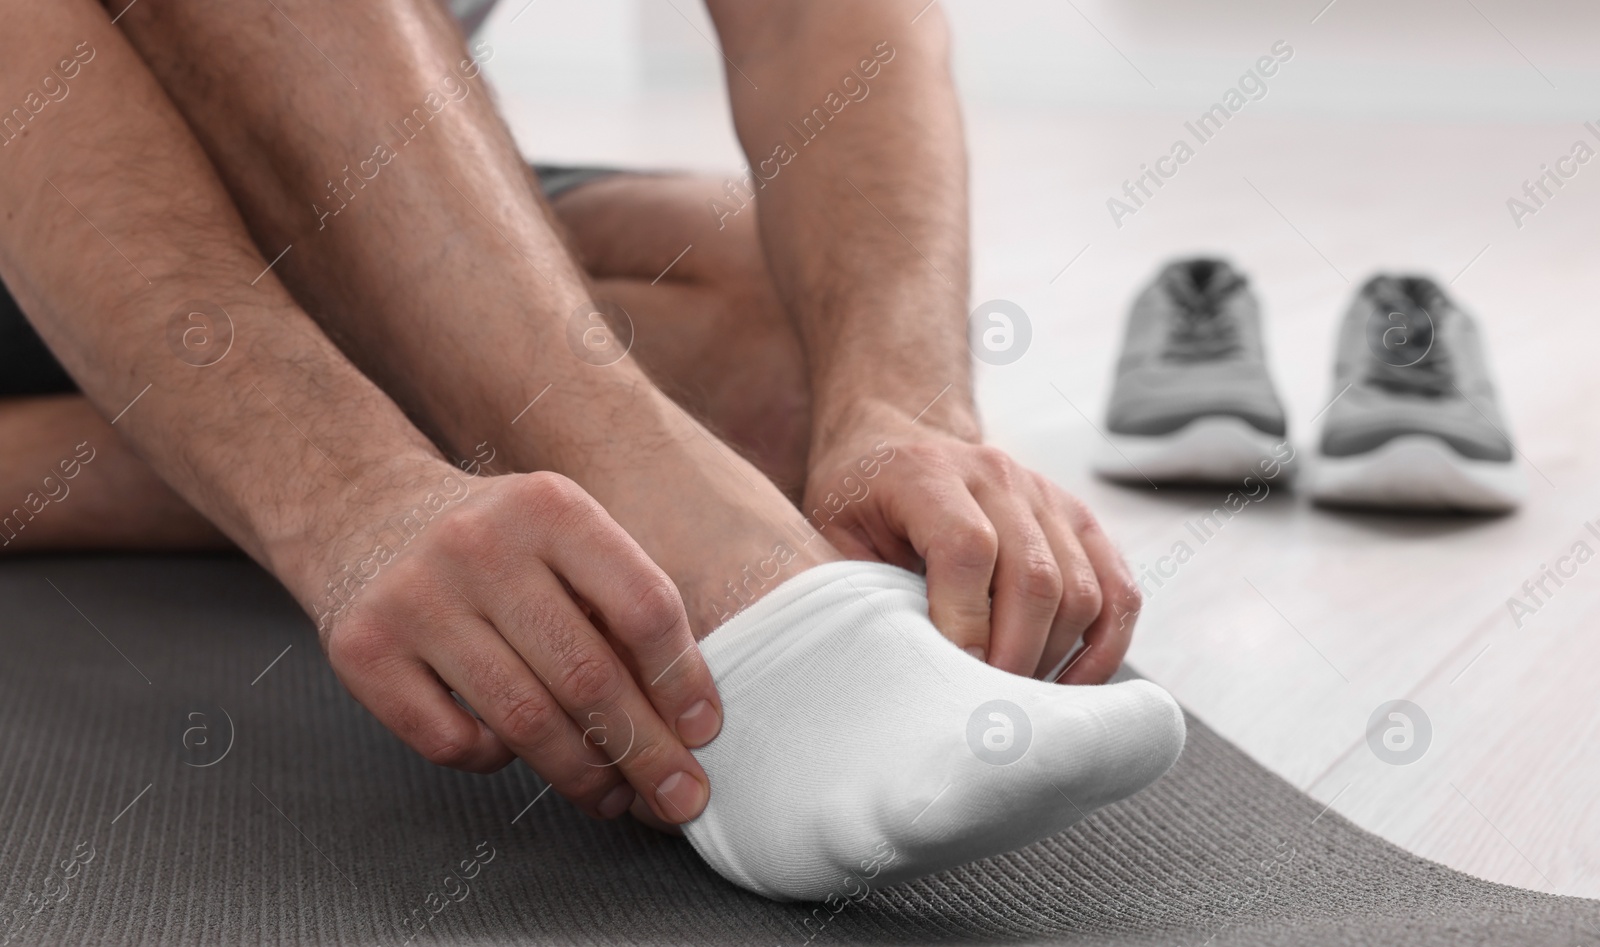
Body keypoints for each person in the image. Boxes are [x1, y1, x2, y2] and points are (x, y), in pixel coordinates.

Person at [0, 0, 1182, 900]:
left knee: (787, 362)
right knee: (673, 432)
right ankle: (725, 567)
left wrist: (905, 401)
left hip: (258, 143)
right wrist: (343, 485)